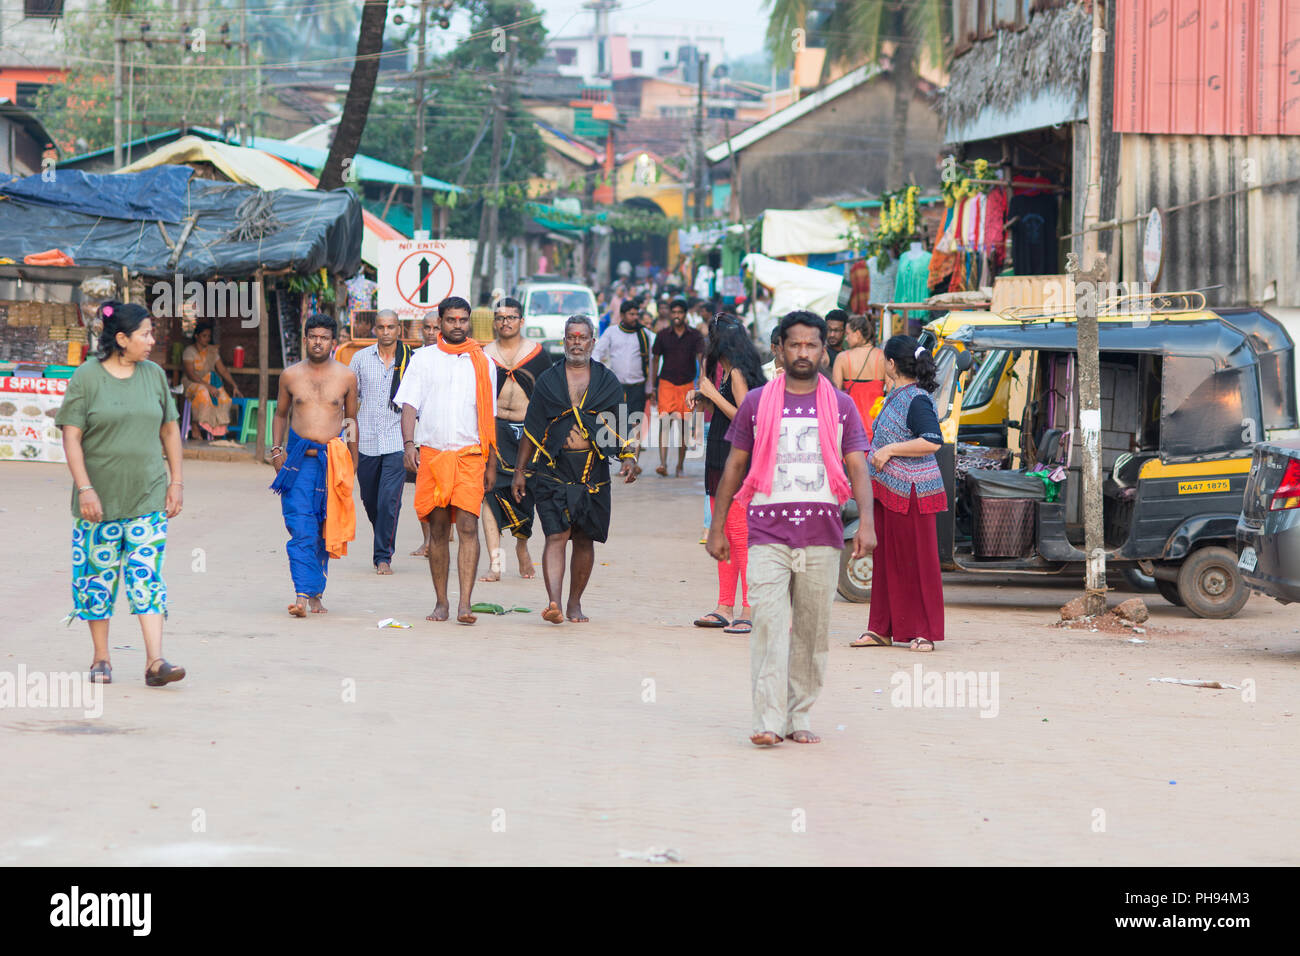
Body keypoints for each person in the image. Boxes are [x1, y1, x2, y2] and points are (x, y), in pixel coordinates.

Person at [708, 310, 876, 747]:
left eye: (812, 345)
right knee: (766, 624)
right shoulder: (756, 402)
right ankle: (767, 718)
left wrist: (867, 524)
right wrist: (718, 527)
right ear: (778, 349)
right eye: (794, 344)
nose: (803, 352)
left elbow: (857, 464)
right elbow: (735, 465)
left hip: (822, 536)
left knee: (811, 631)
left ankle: (797, 715)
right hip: (767, 534)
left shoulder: (841, 406)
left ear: (824, 350)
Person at [56, 301, 187, 686]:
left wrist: (175, 481)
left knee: (147, 577)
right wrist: (85, 489)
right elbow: (71, 436)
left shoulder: (154, 375)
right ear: (121, 339)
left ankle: (155, 661)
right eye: (145, 334)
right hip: (98, 502)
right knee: (96, 578)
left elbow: (169, 430)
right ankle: (101, 659)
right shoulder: (87, 377)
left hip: (147, 497)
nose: (152, 340)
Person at [516, 315, 638, 624]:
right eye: (571, 337)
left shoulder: (607, 380)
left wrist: (628, 457)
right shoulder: (548, 380)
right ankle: (554, 602)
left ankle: (574, 603)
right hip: (553, 470)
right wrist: (519, 472)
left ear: (593, 342)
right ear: (564, 340)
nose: (577, 342)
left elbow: (621, 423)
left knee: (584, 538)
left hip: (593, 472)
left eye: (583, 337)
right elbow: (532, 427)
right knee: (556, 535)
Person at [395, 296, 497, 625]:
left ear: (469, 322)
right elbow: (409, 404)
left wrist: (492, 463)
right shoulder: (423, 359)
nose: (457, 325)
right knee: (438, 531)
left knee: (468, 527)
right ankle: (441, 603)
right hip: (434, 454)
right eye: (451, 320)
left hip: (470, 455)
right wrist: (409, 444)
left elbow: (489, 417)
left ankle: (465, 604)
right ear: (440, 322)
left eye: (463, 320)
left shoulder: (484, 362)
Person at [851, 335, 947, 651]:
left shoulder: (916, 398)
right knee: (888, 561)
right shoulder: (897, 395)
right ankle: (881, 628)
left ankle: (925, 631)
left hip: (913, 492)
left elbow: (933, 440)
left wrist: (890, 449)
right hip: (890, 491)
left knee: (919, 563)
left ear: (891, 363)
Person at [270, 313, 359, 617]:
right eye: (313, 336)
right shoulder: (290, 376)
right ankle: (301, 594)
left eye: (324, 337)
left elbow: (350, 421)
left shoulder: (346, 377)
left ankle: (316, 592)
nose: (318, 342)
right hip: (296, 463)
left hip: (332, 462)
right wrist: (276, 450)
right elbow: (280, 414)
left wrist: (352, 462)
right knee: (300, 527)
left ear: (334, 342)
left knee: (325, 529)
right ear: (305, 338)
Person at [690, 317, 766, 634]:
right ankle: (724, 606)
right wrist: (702, 397)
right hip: (723, 455)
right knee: (723, 533)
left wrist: (711, 393)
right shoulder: (729, 368)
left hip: (735, 459)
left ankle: (747, 609)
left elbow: (746, 417)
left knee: (738, 534)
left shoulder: (734, 371)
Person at [481, 296, 552, 582]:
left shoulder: (537, 353)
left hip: (528, 430)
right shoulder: (484, 354)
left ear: (521, 321)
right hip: (494, 429)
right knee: (489, 494)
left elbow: (548, 396)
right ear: (494, 322)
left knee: (526, 495)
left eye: (511, 317)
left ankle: (522, 546)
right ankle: (496, 562)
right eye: (500, 318)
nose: (505, 322)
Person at [348, 309, 410, 575]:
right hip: (367, 441)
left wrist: (414, 443)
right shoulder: (360, 359)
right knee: (370, 500)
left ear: (399, 330)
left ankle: (382, 556)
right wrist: (347, 440)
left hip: (397, 440)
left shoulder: (411, 361)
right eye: (381, 327)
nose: (386, 332)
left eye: (391, 327)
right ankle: (383, 533)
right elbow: (349, 404)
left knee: (388, 501)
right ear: (375, 329)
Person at [592, 298, 653, 475]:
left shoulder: (644, 334)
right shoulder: (612, 332)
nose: (634, 317)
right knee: (619, 424)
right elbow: (598, 352)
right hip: (617, 387)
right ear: (623, 315)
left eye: (636, 314)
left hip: (638, 386)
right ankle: (623, 463)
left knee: (636, 424)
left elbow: (650, 361)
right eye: (631, 314)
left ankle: (634, 462)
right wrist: (599, 376)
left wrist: (650, 387)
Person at [652, 297, 704, 478]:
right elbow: (655, 360)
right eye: (673, 312)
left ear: (685, 314)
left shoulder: (695, 335)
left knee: (683, 427)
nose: (676, 315)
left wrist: (702, 384)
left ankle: (680, 466)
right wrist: (652, 386)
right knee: (664, 423)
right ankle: (663, 463)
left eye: (680, 312)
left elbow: (701, 358)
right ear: (669, 314)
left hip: (687, 385)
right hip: (666, 383)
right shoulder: (662, 335)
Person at [411, 309, 440, 558]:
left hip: (447, 435)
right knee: (424, 490)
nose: (432, 333)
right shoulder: (414, 358)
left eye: (436, 328)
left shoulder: (457, 357)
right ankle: (428, 539)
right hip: (422, 433)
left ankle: (441, 534)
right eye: (427, 328)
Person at [181, 321, 242, 440]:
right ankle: (195, 424)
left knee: (224, 398)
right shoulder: (189, 351)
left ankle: (215, 429)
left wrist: (234, 385)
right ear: (196, 336)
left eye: (209, 336)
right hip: (191, 383)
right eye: (204, 336)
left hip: (209, 382)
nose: (207, 339)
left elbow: (223, 370)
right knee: (203, 392)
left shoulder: (212, 352)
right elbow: (190, 374)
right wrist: (208, 387)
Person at [832, 314, 887, 442]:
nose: (846, 338)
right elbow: (890, 389)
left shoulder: (842, 358)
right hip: (877, 425)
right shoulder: (882, 356)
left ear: (857, 333)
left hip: (851, 425)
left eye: (848, 333)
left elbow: (835, 393)